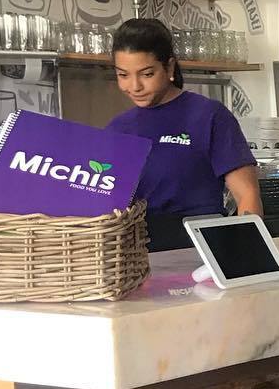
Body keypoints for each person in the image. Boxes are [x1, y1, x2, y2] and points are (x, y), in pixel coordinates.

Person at [107, 18, 260, 248]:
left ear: (169, 67)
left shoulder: (209, 116)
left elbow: (247, 194)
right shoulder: (117, 128)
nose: (135, 86)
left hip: (202, 248)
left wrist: (247, 253)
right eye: (123, 75)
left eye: (147, 74)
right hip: (137, 252)